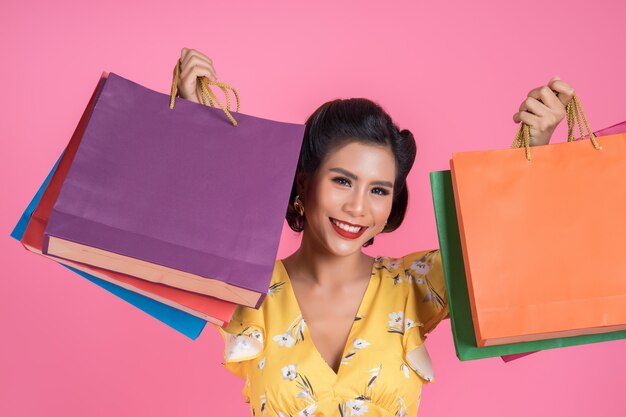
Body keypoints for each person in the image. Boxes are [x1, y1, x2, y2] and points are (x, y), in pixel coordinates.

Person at [176, 47, 574, 417]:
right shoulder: (246, 289)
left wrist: (533, 152)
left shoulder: (414, 284)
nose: (358, 208)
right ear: (304, 183)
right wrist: (192, 127)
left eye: (379, 190)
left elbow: (502, 249)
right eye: (343, 181)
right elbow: (171, 243)